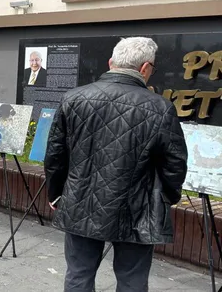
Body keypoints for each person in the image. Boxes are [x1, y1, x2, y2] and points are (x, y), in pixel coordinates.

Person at [44, 37, 188, 292]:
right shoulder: (160, 108)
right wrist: (166, 198)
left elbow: (56, 155)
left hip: (80, 202)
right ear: (145, 68)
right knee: (132, 280)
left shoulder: (74, 98)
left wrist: (56, 194)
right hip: (138, 208)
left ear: (111, 63)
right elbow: (174, 164)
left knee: (78, 274)